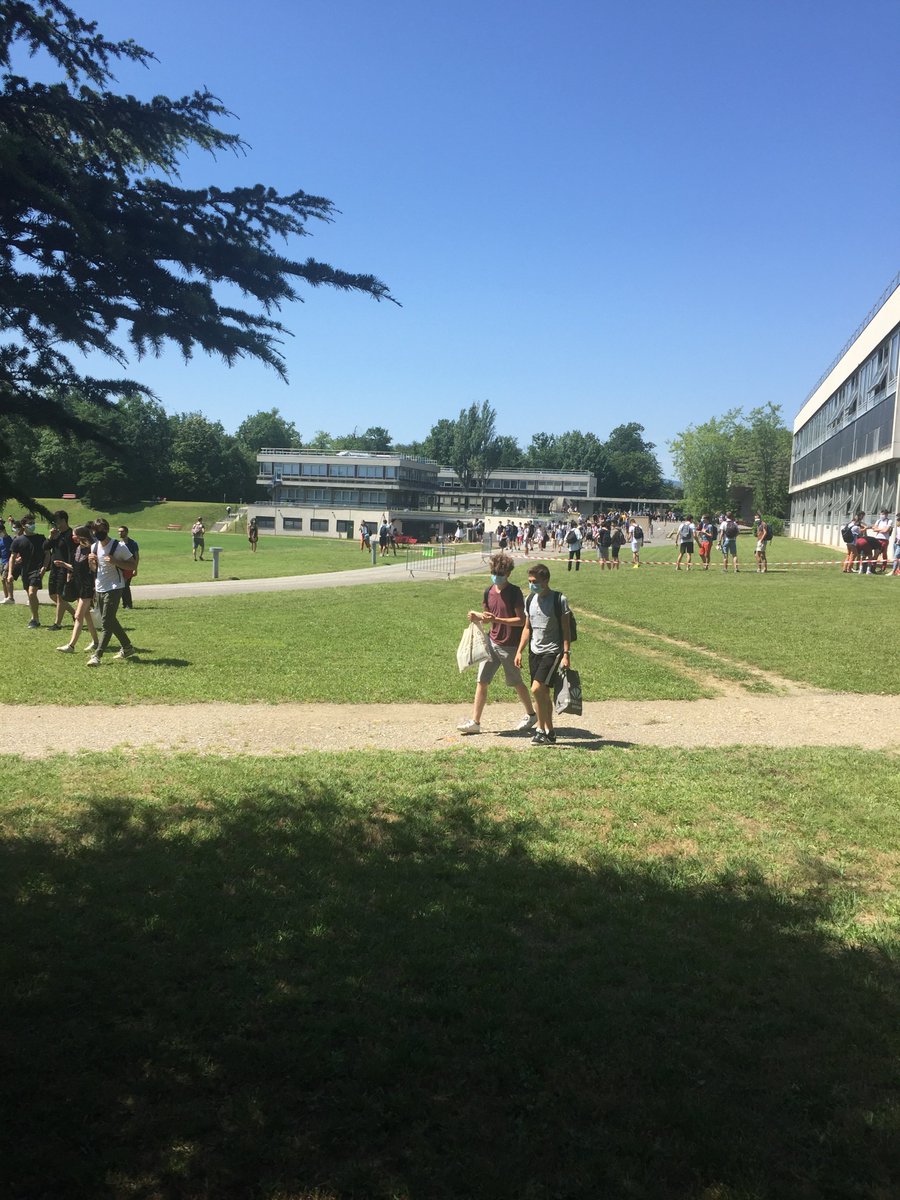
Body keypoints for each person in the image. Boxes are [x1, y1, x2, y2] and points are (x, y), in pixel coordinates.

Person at [457, 553, 537, 736]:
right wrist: (478, 616)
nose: (496, 576)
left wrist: (497, 619)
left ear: (508, 573)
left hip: (509, 646)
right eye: (494, 572)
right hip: (491, 642)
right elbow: (488, 618)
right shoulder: (489, 591)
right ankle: (475, 722)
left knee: (516, 682)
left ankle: (531, 714)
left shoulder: (515, 592)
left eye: (500, 573)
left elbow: (520, 620)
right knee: (482, 681)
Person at [514, 562, 572, 746]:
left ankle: (540, 729)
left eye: (535, 581)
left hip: (552, 652)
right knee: (542, 693)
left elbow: (566, 629)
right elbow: (527, 628)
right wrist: (519, 651)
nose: (532, 584)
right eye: (530, 581)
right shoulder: (529, 600)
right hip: (535, 651)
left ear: (545, 580)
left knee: (536, 689)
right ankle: (550, 732)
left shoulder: (559, 600)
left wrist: (566, 653)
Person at [87, 518, 136, 666]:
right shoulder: (94, 547)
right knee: (110, 620)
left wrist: (116, 561)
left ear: (107, 530)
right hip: (100, 586)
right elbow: (95, 569)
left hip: (115, 586)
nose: (98, 533)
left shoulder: (118, 546)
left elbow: (132, 564)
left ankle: (97, 655)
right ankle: (127, 647)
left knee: (106, 622)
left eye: (101, 530)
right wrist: (91, 562)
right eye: (95, 530)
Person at [53, 524, 99, 653]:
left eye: (74, 534)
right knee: (86, 615)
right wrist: (63, 564)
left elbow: (94, 570)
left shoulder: (91, 549)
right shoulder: (78, 549)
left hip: (87, 586)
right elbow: (75, 567)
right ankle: (96, 642)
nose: (72, 537)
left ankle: (71, 646)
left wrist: (95, 588)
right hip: (78, 585)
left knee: (78, 615)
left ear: (81, 536)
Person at [9, 514, 48, 628]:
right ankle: (34, 617)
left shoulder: (41, 538)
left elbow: (47, 554)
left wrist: (44, 567)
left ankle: (34, 619)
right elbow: (12, 557)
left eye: (33, 523)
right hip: (25, 571)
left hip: (37, 570)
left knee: (32, 593)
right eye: (30, 523)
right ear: (23, 526)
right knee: (30, 595)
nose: (33, 525)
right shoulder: (18, 540)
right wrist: (10, 573)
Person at [45, 511, 77, 630]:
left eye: (57, 520)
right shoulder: (57, 534)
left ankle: (57, 624)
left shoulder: (71, 535)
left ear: (63, 520)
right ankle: (75, 614)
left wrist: (69, 570)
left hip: (64, 568)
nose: (55, 523)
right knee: (53, 595)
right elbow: (45, 547)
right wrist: (51, 537)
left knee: (60, 597)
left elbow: (72, 554)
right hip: (54, 568)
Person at [117, 525, 140, 608]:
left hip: (129, 567)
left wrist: (135, 568)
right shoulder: (118, 544)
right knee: (122, 586)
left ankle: (128, 604)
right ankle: (124, 604)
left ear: (126, 532)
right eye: (119, 531)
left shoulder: (132, 543)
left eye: (122, 531)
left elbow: (136, 557)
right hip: (120, 567)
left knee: (126, 585)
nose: (120, 533)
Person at [0, 518, 14, 604]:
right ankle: (6, 597)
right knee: (2, 580)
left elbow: (13, 552)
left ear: (3, 530)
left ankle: (11, 598)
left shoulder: (9, 539)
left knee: (6, 578)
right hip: (2, 561)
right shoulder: (0, 540)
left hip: (8, 561)